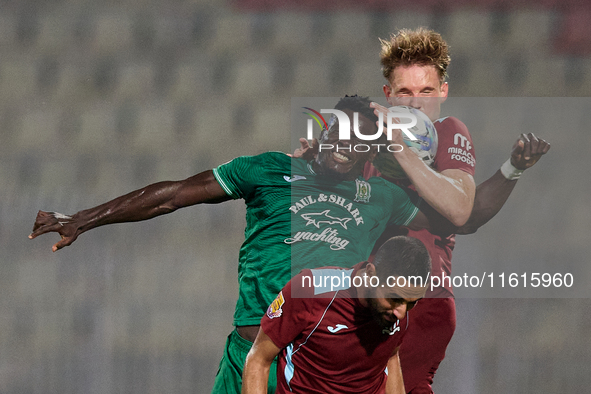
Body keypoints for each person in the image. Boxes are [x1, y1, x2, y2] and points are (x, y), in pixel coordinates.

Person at [29, 95, 457, 394]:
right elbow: (174, 194)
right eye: (342, 134)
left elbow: (455, 215)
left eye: (361, 143)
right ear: (324, 128)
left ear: (371, 155)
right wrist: (84, 219)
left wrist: (407, 157)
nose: (347, 147)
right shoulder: (267, 170)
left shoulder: (380, 197)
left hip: (318, 368)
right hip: (250, 351)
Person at [294, 28, 550, 393]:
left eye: (426, 91)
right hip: (363, 295)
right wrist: (314, 166)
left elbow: (463, 213)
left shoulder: (447, 131)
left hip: (419, 300)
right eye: (405, 92)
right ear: (387, 95)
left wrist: (402, 151)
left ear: (443, 91)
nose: (415, 104)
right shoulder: (364, 136)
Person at [242, 236, 431, 394]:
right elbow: (258, 359)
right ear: (371, 274)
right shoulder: (310, 290)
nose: (402, 313)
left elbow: (390, 356)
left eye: (412, 302)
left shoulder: (398, 307)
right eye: (394, 298)